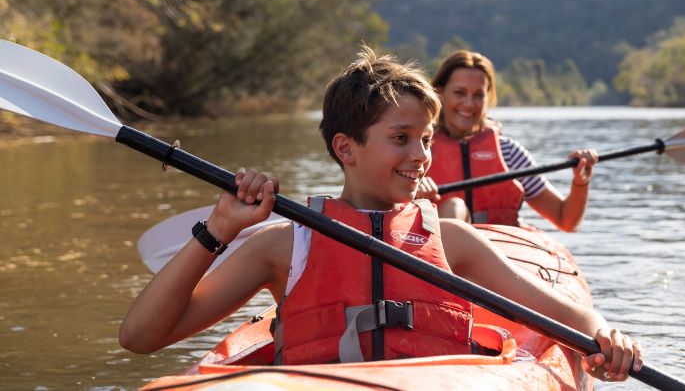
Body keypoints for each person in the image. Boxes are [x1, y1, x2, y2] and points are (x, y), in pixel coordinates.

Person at [118, 47, 641, 382]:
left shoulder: (453, 242)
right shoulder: (282, 246)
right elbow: (141, 338)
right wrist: (219, 230)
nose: (421, 156)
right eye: (400, 139)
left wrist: (607, 338)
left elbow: (571, 318)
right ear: (346, 147)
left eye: (426, 140)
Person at [420, 50, 596, 231]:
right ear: (439, 93)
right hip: (437, 248)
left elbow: (566, 220)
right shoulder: (418, 150)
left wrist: (580, 182)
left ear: (488, 97)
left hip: (498, 248)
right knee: (455, 207)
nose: (469, 103)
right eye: (459, 93)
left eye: (479, 95)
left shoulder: (509, 152)